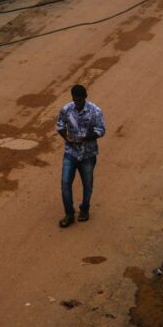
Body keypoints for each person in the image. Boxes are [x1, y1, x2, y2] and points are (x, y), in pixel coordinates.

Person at [55, 84, 105, 228]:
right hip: (70, 153)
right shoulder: (66, 110)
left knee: (87, 185)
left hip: (88, 154)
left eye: (79, 100)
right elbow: (59, 126)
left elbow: (101, 130)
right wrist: (67, 137)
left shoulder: (95, 111)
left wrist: (85, 137)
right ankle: (69, 214)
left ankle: (84, 209)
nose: (77, 103)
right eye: (75, 100)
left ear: (85, 97)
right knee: (65, 183)